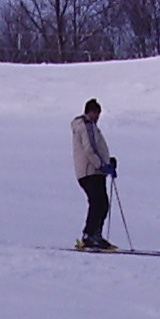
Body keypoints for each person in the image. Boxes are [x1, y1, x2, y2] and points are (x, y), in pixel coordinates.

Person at [71, 98, 117, 249]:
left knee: (101, 203)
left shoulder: (88, 126)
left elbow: (95, 148)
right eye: (96, 113)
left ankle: (94, 234)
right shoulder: (86, 125)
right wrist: (102, 165)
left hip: (92, 171)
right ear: (89, 112)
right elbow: (89, 149)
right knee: (99, 203)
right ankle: (90, 235)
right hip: (90, 171)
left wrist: (107, 161)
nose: (97, 116)